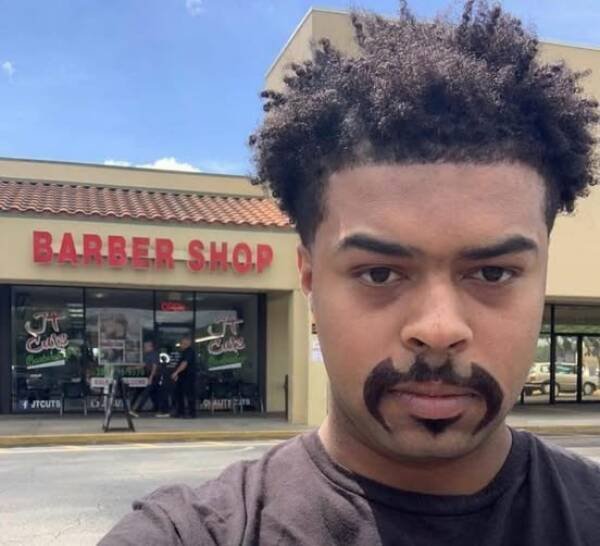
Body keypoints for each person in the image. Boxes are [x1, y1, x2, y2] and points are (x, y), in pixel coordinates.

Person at [100, 1, 600, 544]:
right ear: (309, 278)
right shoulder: (197, 533)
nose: (438, 329)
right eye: (380, 274)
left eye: (494, 274)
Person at [129, 340, 170, 418]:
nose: (144, 348)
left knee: (147, 392)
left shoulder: (153, 354)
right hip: (152, 376)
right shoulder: (148, 355)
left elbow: (154, 367)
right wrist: (133, 368)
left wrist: (151, 377)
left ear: (150, 347)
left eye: (145, 346)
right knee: (155, 394)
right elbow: (144, 365)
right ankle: (161, 409)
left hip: (155, 376)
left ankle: (136, 410)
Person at [172, 335, 197, 418]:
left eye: (182, 343)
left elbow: (184, 363)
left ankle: (191, 413)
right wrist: (177, 374)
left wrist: (176, 372)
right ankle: (180, 412)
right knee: (179, 394)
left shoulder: (189, 351)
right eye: (181, 343)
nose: (181, 345)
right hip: (182, 377)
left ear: (188, 343)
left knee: (189, 395)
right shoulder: (184, 352)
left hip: (188, 377)